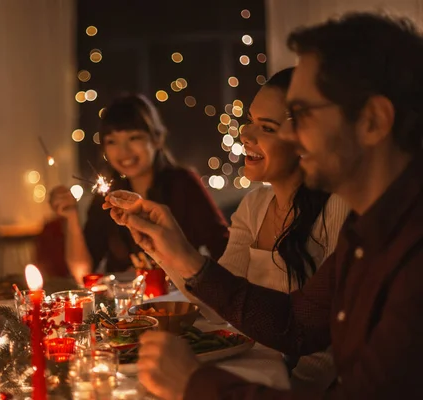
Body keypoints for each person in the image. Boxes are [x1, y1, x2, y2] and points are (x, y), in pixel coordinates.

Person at [106, 12, 423, 399]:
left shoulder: (411, 248)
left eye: (302, 114)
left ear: (372, 121)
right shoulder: (368, 227)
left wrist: (195, 384)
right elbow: (295, 325)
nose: (288, 134)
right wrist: (182, 256)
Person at [110, 68, 350, 390]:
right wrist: (161, 247)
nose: (246, 135)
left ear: (307, 141)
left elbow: (326, 340)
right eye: (249, 120)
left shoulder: (339, 208)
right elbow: (215, 307)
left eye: (266, 127)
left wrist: (290, 386)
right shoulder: (254, 206)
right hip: (258, 371)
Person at [49, 94, 229, 283]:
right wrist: (71, 217)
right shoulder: (108, 197)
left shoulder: (183, 183)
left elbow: (223, 248)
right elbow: (83, 272)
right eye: (112, 141)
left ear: (157, 139)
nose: (123, 151)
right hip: (127, 306)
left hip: (179, 302)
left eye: (134, 137)